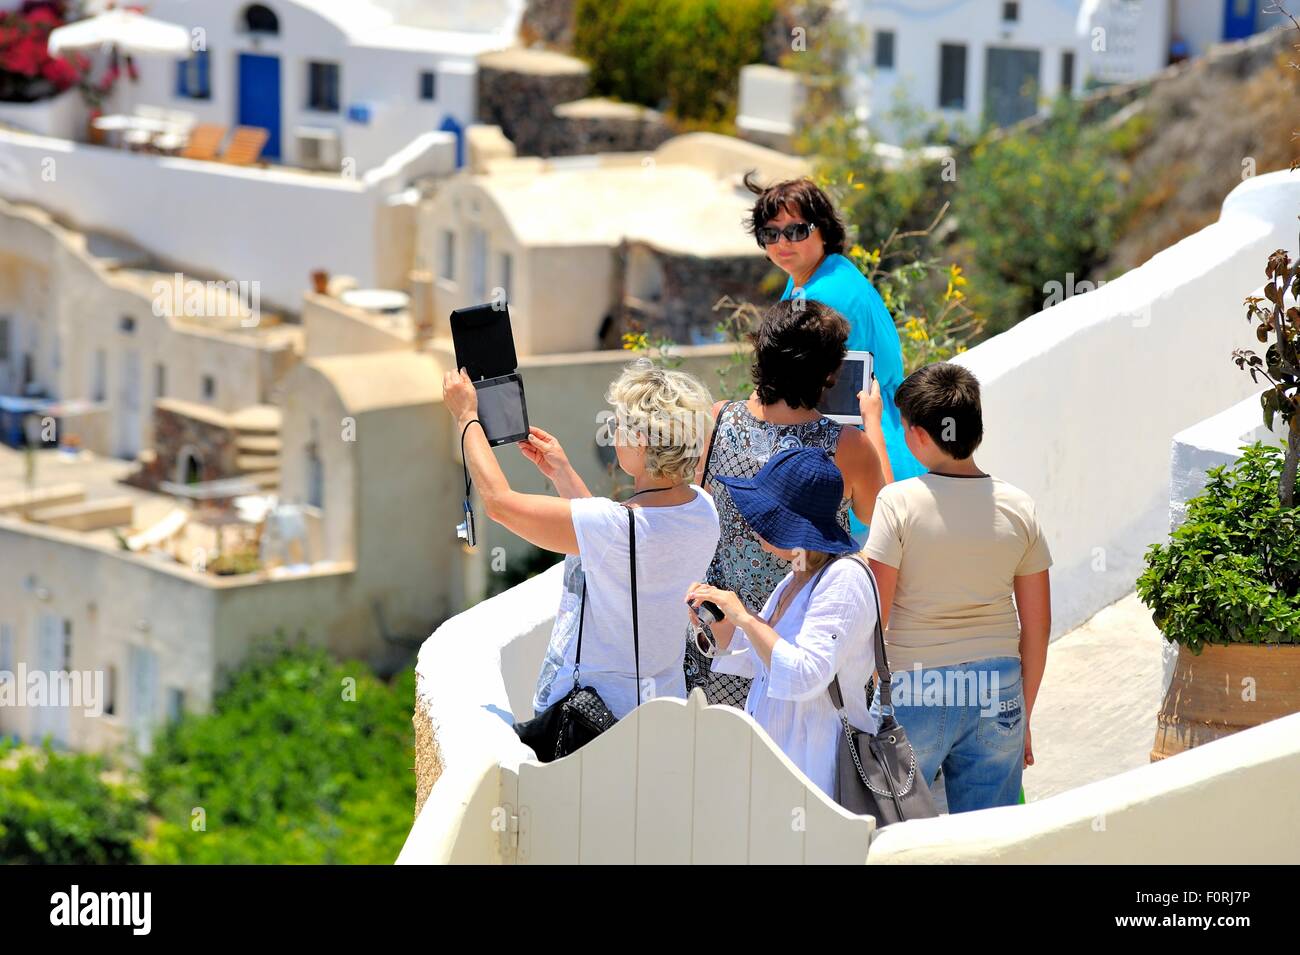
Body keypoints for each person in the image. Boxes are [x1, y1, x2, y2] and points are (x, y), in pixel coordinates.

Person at [442, 358, 720, 721]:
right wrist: (563, 472)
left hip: (594, 720)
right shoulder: (703, 509)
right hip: (663, 710)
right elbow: (614, 546)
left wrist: (466, 417)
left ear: (639, 441)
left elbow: (499, 503)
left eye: (617, 423)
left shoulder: (614, 527)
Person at [863, 362, 1052, 813]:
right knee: (988, 840)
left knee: (899, 832)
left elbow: (875, 617)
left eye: (906, 428)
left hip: (915, 687)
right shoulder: (1019, 506)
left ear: (922, 436)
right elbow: (1039, 626)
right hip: (997, 687)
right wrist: (1022, 712)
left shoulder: (898, 503)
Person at [684, 298, 891, 708]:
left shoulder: (718, 419)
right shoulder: (847, 444)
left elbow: (701, 511)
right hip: (800, 640)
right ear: (831, 373)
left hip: (722, 632)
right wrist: (872, 424)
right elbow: (881, 514)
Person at [684, 447, 878, 799]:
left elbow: (804, 676)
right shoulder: (798, 577)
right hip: (784, 770)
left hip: (818, 776)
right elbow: (762, 660)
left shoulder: (845, 578)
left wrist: (744, 616)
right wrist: (718, 623)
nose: (752, 521)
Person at [743, 173, 927, 534]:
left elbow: (785, 384)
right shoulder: (813, 274)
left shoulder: (825, 292)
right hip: (870, 439)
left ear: (822, 230)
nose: (782, 242)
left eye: (796, 230)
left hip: (865, 449)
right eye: (771, 234)